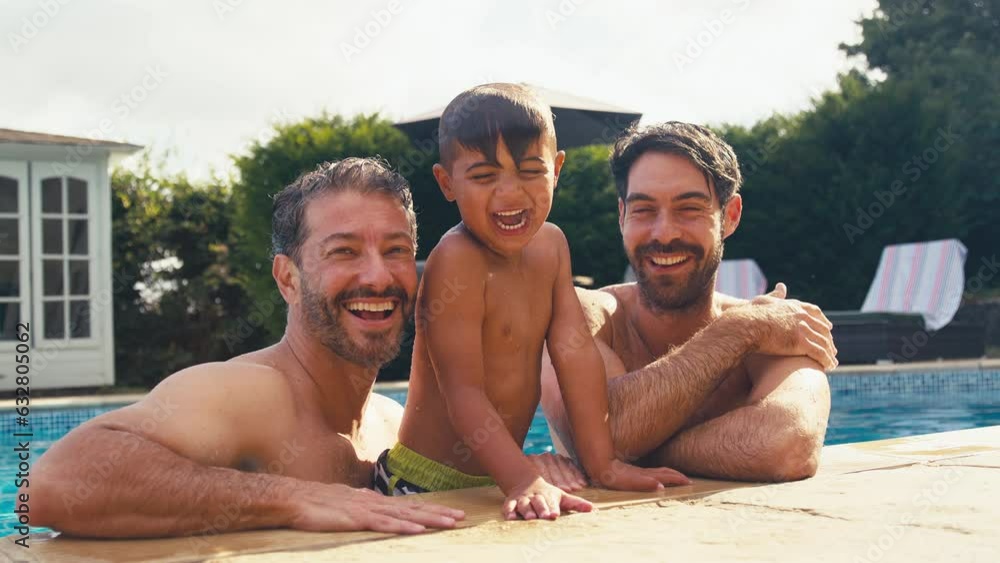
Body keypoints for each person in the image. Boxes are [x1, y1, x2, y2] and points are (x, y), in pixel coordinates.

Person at [25, 158, 484, 538]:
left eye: (396, 250)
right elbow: (50, 484)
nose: (378, 277)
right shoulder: (250, 394)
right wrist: (292, 497)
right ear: (288, 278)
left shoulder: (393, 422)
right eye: (343, 252)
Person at [378, 84, 689, 522]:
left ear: (557, 169)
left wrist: (603, 464)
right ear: (447, 183)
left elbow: (574, 354)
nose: (510, 193)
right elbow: (462, 393)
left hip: (491, 478)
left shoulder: (553, 246)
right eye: (485, 177)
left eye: (530, 171)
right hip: (421, 482)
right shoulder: (457, 261)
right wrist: (522, 479)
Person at [540, 122, 837, 482]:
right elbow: (604, 433)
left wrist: (625, 453)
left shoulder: (773, 328)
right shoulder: (580, 315)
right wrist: (739, 330)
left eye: (689, 209)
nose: (664, 233)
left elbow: (788, 446)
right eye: (643, 210)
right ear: (622, 217)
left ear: (729, 217)